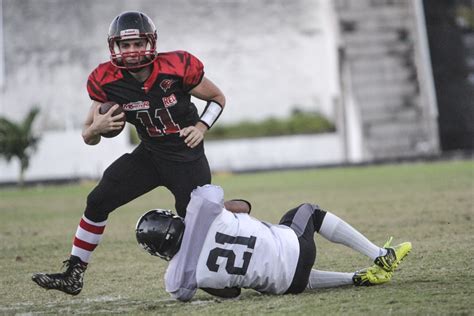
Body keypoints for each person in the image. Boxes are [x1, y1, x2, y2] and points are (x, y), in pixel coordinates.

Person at [32, 11, 225, 295]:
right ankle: (74, 273)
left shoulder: (178, 65)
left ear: (151, 43)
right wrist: (96, 128)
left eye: (138, 44)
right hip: (149, 155)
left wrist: (201, 126)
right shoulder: (107, 80)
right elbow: (87, 136)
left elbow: (218, 98)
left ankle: (216, 276)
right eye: (125, 45)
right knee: (98, 200)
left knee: (200, 225)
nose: (132, 51)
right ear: (115, 47)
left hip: (187, 159)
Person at [135, 185, 412, 301]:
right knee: (307, 212)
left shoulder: (177, 279)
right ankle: (380, 255)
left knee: (274, 268)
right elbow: (244, 205)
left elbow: (232, 293)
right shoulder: (202, 209)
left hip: (288, 287)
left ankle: (356, 278)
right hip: (297, 247)